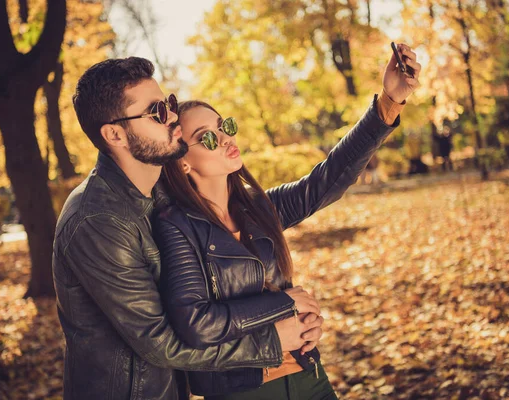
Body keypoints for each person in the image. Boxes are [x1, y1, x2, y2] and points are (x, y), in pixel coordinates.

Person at [153, 44, 421, 399]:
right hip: (246, 392)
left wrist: (389, 100)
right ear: (182, 162)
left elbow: (328, 179)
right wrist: (286, 304)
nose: (225, 139)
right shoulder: (176, 226)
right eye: (206, 137)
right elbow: (196, 323)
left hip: (309, 377)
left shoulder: (259, 208)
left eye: (224, 126)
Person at [52, 57, 324, 400]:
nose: (172, 118)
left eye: (168, 104)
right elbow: (160, 342)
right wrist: (273, 338)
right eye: (156, 112)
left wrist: (385, 109)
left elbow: (299, 196)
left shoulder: (160, 194)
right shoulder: (97, 221)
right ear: (115, 134)